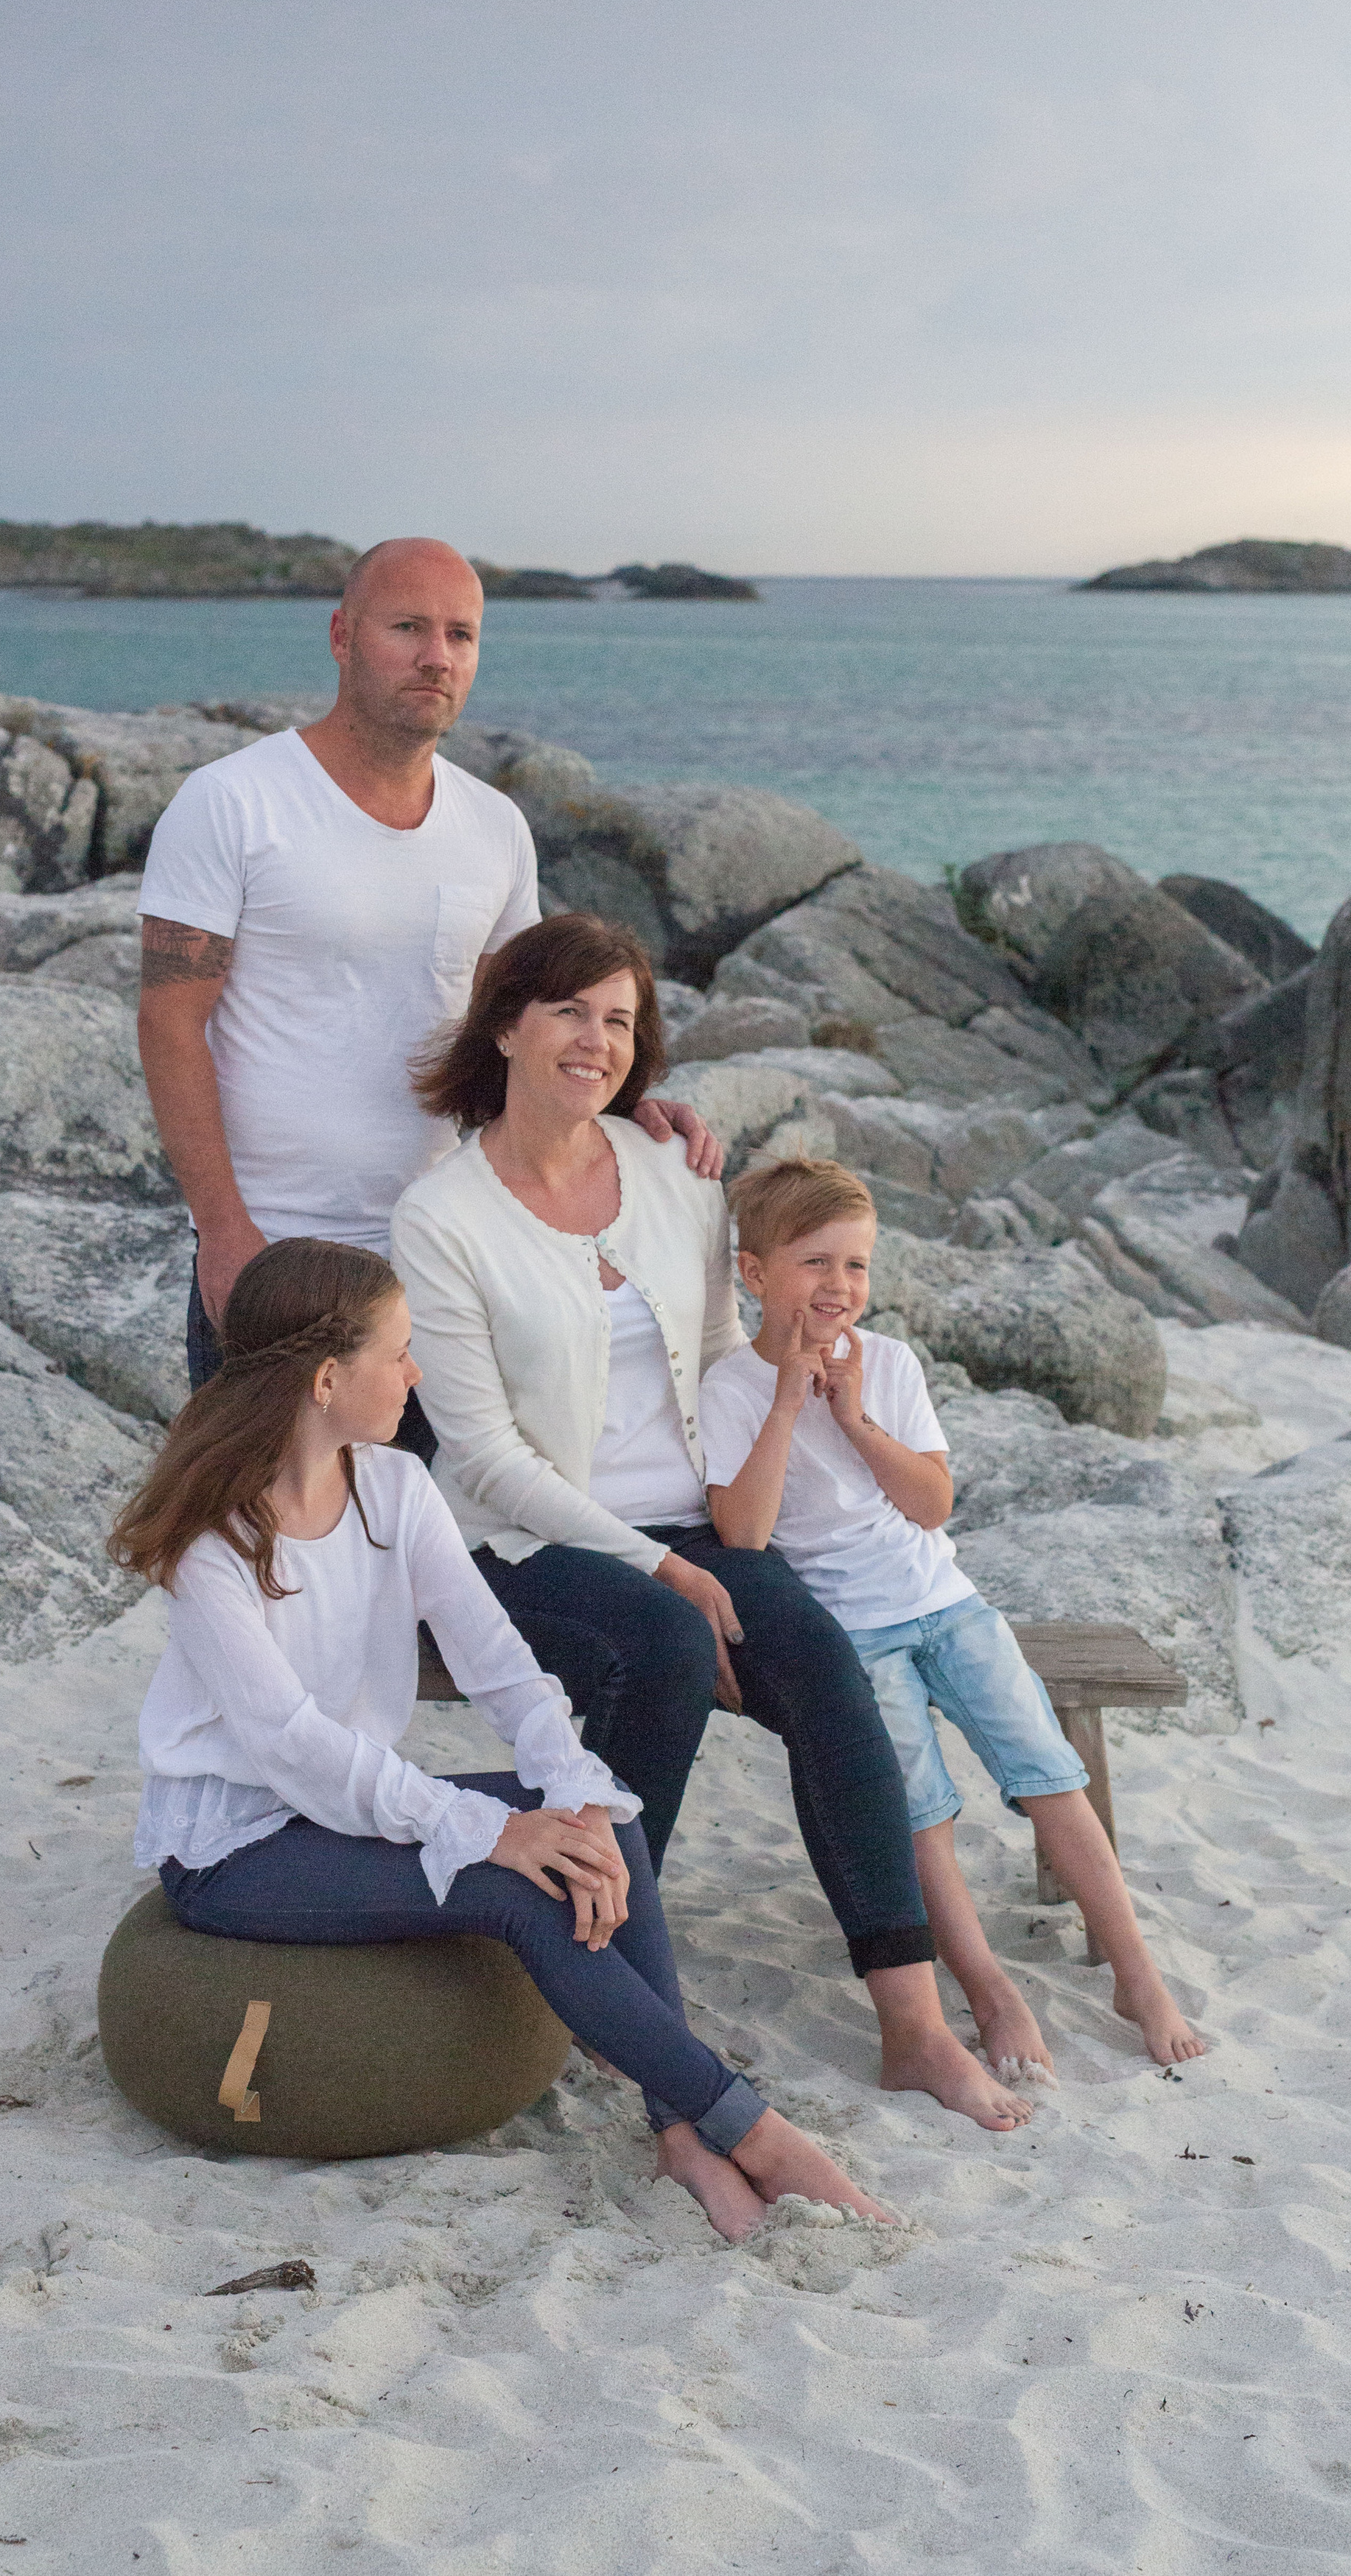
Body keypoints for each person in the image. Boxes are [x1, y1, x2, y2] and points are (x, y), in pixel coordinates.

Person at [109, 1234, 890, 2244]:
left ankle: (682, 2131)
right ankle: (757, 2132)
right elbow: (290, 1744)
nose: (415, 1374)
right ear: (327, 1378)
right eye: (398, 1351)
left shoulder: (395, 1486)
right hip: (238, 1843)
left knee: (608, 1821)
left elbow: (497, 1660)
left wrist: (568, 1788)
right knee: (515, 1886)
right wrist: (492, 1828)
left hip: (346, 1805)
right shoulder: (215, 1539)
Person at [390, 913, 1035, 2133]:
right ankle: (612, 1971)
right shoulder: (442, 1216)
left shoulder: (670, 1170)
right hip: (531, 1539)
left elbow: (723, 1351)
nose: (596, 1040)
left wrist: (761, 1498)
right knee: (668, 1642)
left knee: (822, 1664)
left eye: (620, 1020)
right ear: (508, 1026)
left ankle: (914, 2026)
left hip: (696, 1518)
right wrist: (659, 1568)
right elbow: (482, 1455)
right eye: (570, 1011)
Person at [134, 535, 720, 1418]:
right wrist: (221, 1230)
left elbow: (522, 1028)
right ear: (342, 635)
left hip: (445, 1247)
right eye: (407, 627)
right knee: (267, 1506)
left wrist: (624, 1109)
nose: (436, 656)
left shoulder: (493, 825)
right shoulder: (233, 800)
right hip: (279, 1252)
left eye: (460, 634)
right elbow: (170, 1022)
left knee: (439, 1506)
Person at [702, 1157, 1209, 2074]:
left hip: (947, 1606)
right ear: (754, 1273)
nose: (839, 1284)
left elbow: (931, 1504)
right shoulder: (730, 1388)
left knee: (1047, 1771)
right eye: (815, 1262)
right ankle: (987, 1986)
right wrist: (786, 1403)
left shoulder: (889, 1364)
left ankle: (1135, 1970)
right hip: (852, 1633)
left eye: (856, 1264)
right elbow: (743, 1532)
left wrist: (855, 1419)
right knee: (919, 1807)